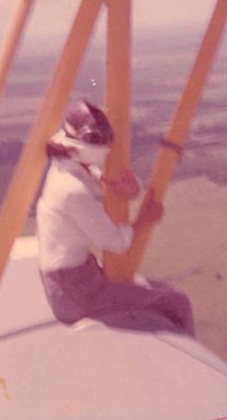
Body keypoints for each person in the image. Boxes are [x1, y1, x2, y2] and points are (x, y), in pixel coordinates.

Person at [36, 99, 195, 335]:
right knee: (177, 304)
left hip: (75, 282)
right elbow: (116, 243)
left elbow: (108, 183)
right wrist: (146, 218)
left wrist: (129, 188)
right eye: (95, 139)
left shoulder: (67, 166)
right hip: (76, 293)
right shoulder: (71, 188)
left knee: (159, 292)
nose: (102, 145)